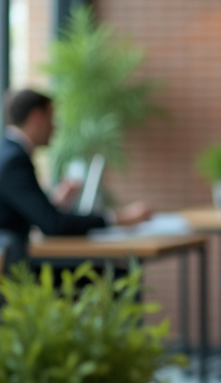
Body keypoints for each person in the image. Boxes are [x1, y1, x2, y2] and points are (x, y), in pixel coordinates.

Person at [0, 89, 151, 265]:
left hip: (16, 260)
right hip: (14, 269)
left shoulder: (8, 153)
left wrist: (53, 202)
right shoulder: (15, 161)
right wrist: (119, 217)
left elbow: (17, 213)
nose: (55, 127)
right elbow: (54, 225)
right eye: (52, 118)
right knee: (112, 269)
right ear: (36, 118)